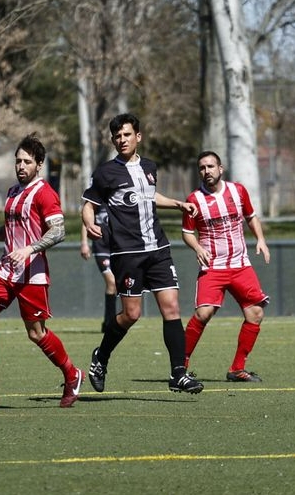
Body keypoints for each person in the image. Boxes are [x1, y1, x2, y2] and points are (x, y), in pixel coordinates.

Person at [0, 133, 84, 408]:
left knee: (36, 333)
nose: (21, 166)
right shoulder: (13, 192)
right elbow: (10, 233)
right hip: (5, 270)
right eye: (18, 161)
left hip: (31, 274)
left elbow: (58, 232)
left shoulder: (45, 193)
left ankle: (72, 374)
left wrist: (30, 250)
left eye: (27, 162)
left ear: (39, 164)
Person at [82, 113, 204, 395]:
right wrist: (88, 221)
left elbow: (150, 195)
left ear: (138, 136)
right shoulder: (105, 173)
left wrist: (177, 204)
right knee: (131, 314)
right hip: (128, 253)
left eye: (126, 135)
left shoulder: (150, 167)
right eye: (117, 136)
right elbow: (88, 203)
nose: (121, 140)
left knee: (172, 308)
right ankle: (101, 357)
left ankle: (178, 374)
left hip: (158, 248)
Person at [182, 151, 270, 382]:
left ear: (221, 169)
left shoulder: (238, 191)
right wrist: (198, 248)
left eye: (211, 166)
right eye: (202, 167)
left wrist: (260, 239)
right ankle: (179, 366)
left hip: (240, 265)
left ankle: (237, 369)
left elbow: (251, 216)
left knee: (255, 313)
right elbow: (187, 233)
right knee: (203, 314)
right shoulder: (194, 200)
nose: (206, 171)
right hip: (213, 267)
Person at [80, 204, 116, 333]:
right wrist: (84, 243)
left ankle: (111, 322)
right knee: (111, 282)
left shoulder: (118, 195)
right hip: (101, 247)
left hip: (117, 247)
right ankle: (109, 323)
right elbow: (86, 220)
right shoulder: (96, 196)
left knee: (117, 284)